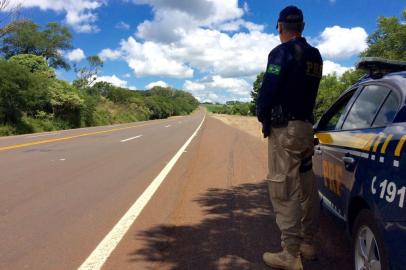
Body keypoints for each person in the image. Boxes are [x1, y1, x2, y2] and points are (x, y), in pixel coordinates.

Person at [256, 5, 323, 270]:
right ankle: (308, 243)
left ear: (280, 27)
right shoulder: (315, 56)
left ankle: (290, 254)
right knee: (307, 187)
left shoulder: (280, 53)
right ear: (303, 28)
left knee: (284, 188)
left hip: (286, 130)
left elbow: (269, 89)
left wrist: (263, 115)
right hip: (306, 128)